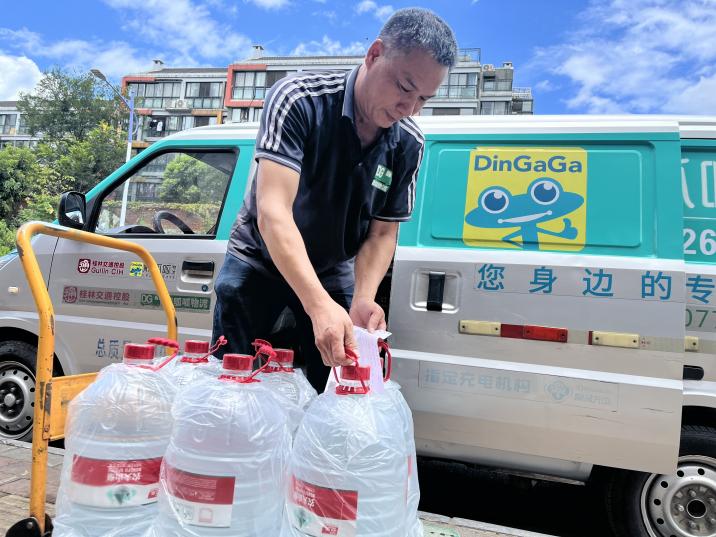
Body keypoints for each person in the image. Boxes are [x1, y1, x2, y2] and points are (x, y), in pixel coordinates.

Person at [212, 7, 458, 391]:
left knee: (335, 389)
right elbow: (273, 211)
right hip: (259, 261)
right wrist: (316, 304)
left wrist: (363, 298)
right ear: (374, 54)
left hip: (332, 270)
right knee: (234, 384)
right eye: (404, 87)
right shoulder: (299, 99)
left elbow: (382, 234)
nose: (409, 108)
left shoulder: (408, 142)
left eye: (424, 99)